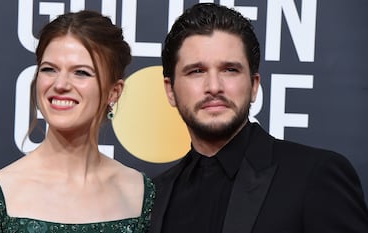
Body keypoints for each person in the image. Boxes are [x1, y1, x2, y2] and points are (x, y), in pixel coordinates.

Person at [150, 3, 368, 233]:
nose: (214, 86)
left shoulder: (315, 176)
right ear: (170, 90)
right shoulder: (156, 195)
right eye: (196, 71)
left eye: (230, 70)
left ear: (254, 86)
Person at [0, 10, 154, 233]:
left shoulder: (138, 193)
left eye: (81, 72)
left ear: (114, 92)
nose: (60, 84)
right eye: (49, 69)